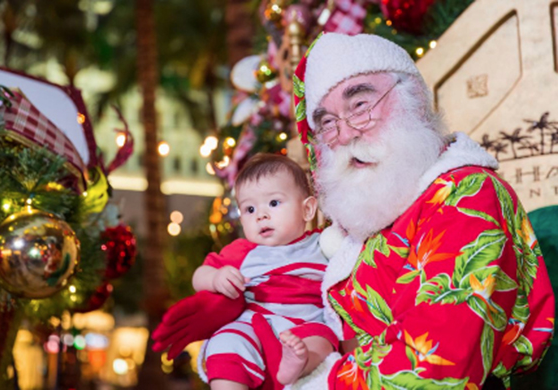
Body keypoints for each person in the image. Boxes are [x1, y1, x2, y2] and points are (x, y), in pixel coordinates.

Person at [254, 32, 554, 389]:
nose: (346, 133)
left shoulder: (467, 193)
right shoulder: (372, 213)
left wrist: (323, 381)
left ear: (413, 98)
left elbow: (439, 362)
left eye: (361, 105)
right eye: (328, 123)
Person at [191, 153, 338, 390]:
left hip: (303, 325)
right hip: (254, 323)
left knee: (323, 340)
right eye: (249, 209)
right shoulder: (243, 251)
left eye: (273, 203)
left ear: (308, 209)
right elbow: (199, 276)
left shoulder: (322, 244)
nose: (261, 215)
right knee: (225, 340)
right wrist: (216, 278)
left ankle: (298, 363)